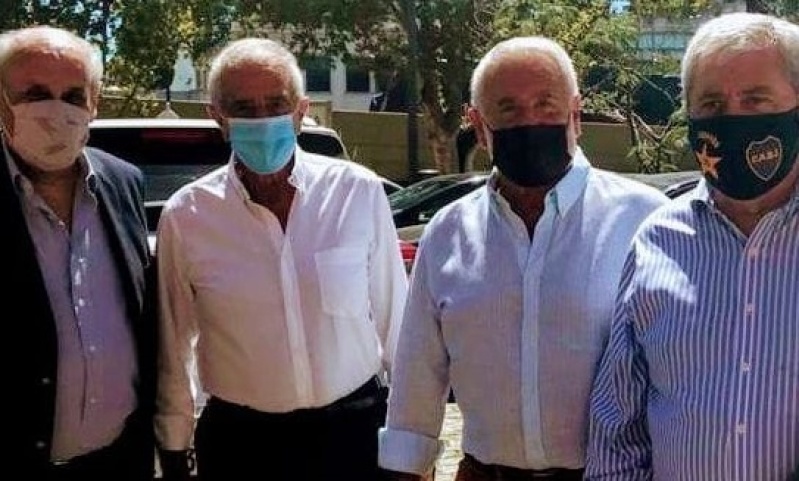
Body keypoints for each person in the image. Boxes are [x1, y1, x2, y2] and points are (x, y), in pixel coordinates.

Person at [378, 36, 669, 481]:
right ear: (479, 126)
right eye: (509, 110)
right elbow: (418, 371)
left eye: (546, 105)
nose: (529, 121)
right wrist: (406, 467)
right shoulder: (448, 232)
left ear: (575, 114)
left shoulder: (646, 220)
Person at [154, 37, 408, 481]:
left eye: (276, 104)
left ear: (301, 111)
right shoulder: (187, 215)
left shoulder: (357, 192)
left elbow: (396, 321)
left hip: (355, 434)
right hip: (243, 446)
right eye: (244, 108)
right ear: (219, 117)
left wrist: (409, 439)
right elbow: (174, 348)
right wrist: (175, 450)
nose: (262, 119)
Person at [584, 12, 799, 480]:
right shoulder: (657, 241)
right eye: (712, 104)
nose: (732, 119)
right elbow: (617, 431)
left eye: (755, 100)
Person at [0, 26, 156, 481]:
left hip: (120, 460)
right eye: (35, 94)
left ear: (94, 103)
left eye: (73, 96)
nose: (57, 111)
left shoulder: (123, 181)